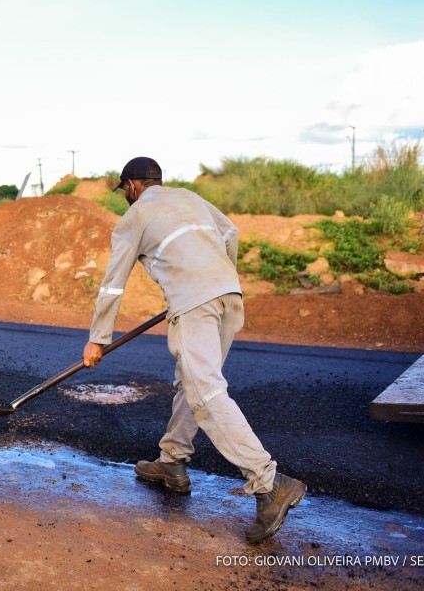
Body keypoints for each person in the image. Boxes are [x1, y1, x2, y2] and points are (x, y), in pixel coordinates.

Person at [82, 156, 306, 544]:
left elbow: (113, 283)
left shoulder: (135, 217)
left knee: (205, 391)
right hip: (228, 296)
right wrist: (218, 280)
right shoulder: (188, 196)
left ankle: (269, 483)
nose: (126, 199)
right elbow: (230, 233)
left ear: (132, 186)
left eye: (125, 193)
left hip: (197, 303)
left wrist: (98, 337)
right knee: (194, 382)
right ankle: (172, 462)